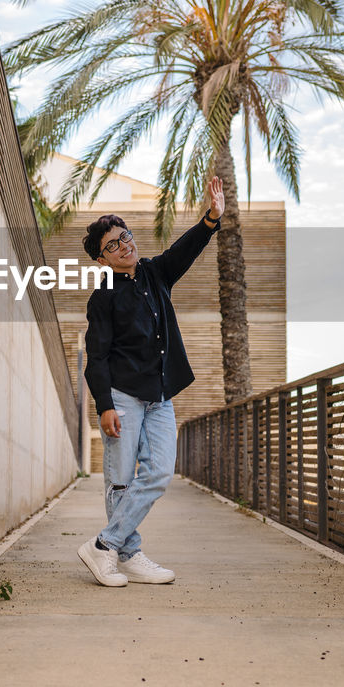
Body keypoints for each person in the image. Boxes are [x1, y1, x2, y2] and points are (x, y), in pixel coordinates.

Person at [77, 175, 225, 586]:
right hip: (123, 398)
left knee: (159, 472)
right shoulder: (103, 296)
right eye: (113, 245)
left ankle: (104, 546)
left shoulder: (155, 273)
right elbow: (98, 356)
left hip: (160, 397)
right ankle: (128, 554)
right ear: (102, 260)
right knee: (121, 480)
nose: (125, 245)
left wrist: (211, 218)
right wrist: (105, 404)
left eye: (125, 236)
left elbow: (185, 249)